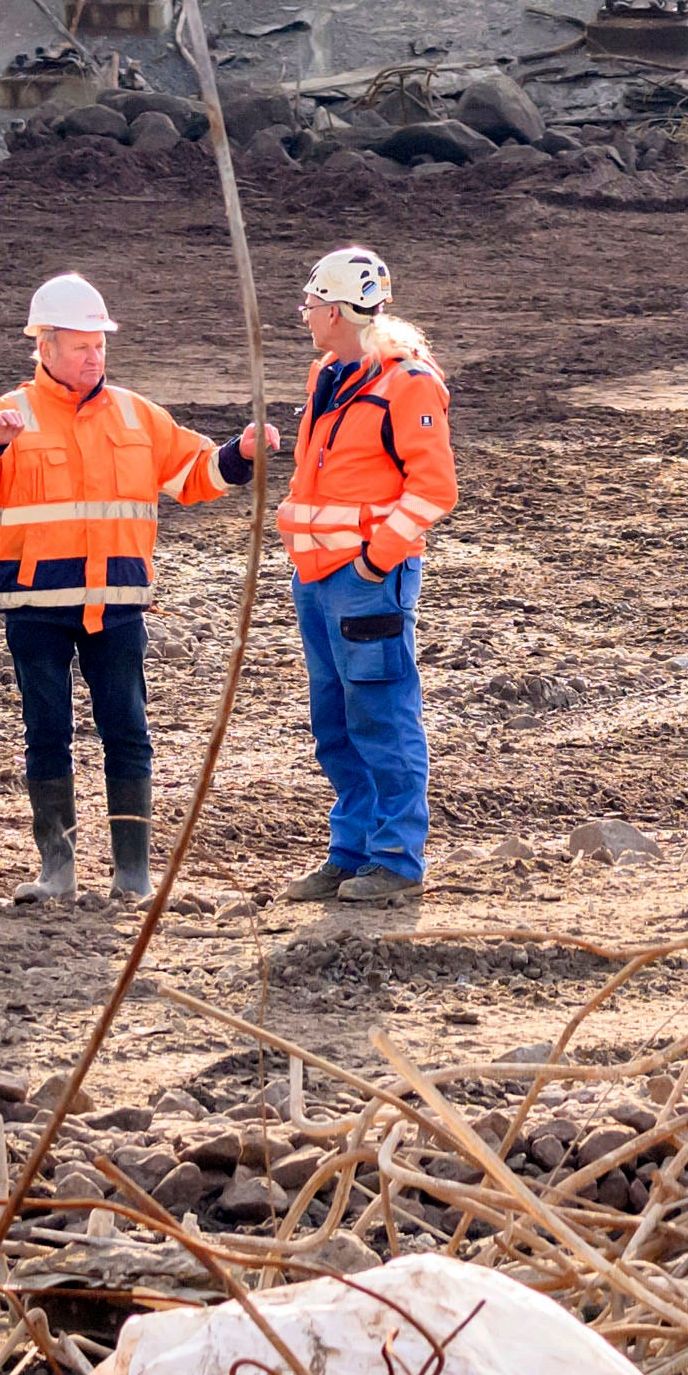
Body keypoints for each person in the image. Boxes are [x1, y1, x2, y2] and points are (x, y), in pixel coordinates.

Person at [0, 272, 251, 907]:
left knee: (127, 730)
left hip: (118, 604)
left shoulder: (138, 414)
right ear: (44, 347)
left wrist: (240, 453)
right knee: (46, 731)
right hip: (36, 609)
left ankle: (133, 873)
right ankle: (58, 869)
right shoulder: (10, 411)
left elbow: (194, 473)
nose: (94, 356)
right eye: (81, 346)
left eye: (99, 345)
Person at [239, 242, 453, 913]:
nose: (304, 315)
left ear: (335, 310)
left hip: (364, 580)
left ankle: (395, 859)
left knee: (382, 716)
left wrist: (376, 557)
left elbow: (435, 487)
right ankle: (353, 852)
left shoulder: (407, 380)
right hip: (319, 576)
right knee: (335, 721)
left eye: (309, 304)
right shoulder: (330, 374)